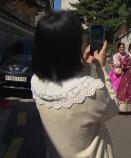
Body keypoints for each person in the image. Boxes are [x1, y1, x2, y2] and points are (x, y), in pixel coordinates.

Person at [31, 11, 117, 158]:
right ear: (73, 46)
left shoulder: (36, 82)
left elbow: (69, 85)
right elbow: (113, 107)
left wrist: (83, 66)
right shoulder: (91, 90)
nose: (85, 41)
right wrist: (101, 68)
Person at [116, 43, 131, 112]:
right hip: (127, 76)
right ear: (129, 49)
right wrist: (124, 65)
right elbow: (123, 65)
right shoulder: (127, 57)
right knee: (125, 91)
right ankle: (123, 108)